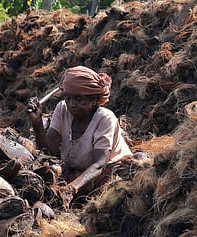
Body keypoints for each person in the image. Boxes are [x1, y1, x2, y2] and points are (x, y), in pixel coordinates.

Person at [26, 65, 133, 206]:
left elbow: (99, 165)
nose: (72, 104)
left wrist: (71, 189)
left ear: (94, 100)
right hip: (78, 173)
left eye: (79, 99)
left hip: (106, 173)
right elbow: (48, 152)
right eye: (68, 98)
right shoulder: (62, 109)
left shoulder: (105, 118)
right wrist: (37, 123)